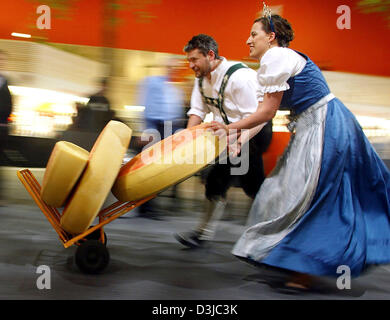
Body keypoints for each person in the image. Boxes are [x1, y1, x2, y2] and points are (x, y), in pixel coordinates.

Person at [208, 10, 390, 291]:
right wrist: (241, 138)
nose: (248, 40)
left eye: (253, 34)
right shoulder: (273, 62)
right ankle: (290, 257)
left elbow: (267, 112)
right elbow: (262, 112)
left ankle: (303, 268)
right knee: (280, 190)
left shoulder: (277, 56)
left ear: (271, 37)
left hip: (324, 127)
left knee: (311, 196)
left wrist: (232, 129)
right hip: (313, 127)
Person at [174, 34, 273, 248]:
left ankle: (274, 236)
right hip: (230, 135)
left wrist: (240, 143)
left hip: (255, 132)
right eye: (188, 60)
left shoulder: (240, 77)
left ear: (210, 55)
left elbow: (257, 118)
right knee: (218, 181)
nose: (190, 65)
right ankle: (203, 233)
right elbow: (197, 112)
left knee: (251, 186)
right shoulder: (201, 81)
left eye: (194, 60)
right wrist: (185, 140)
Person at [136, 57, 186, 220]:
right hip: (156, 128)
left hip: (168, 130)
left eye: (177, 68)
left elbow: (175, 115)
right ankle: (146, 207)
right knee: (151, 168)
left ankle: (149, 206)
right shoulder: (152, 82)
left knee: (161, 169)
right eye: (173, 67)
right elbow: (146, 107)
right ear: (166, 67)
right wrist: (144, 131)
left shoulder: (175, 89)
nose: (175, 70)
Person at [0, 50, 13, 204]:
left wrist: (5, 122)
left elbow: (9, 105)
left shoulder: (5, 81)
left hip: (1, 129)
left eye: (3, 59)